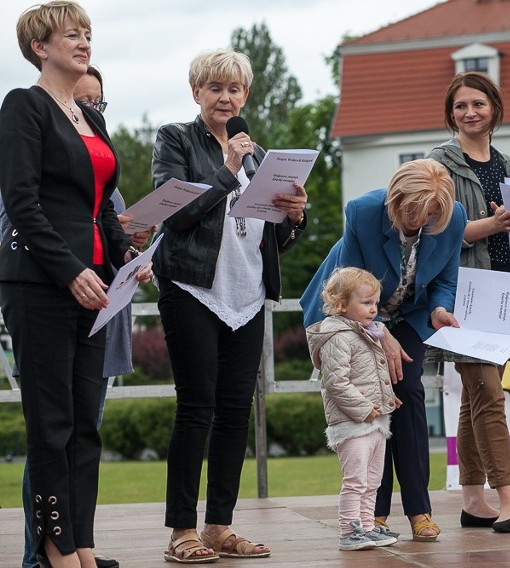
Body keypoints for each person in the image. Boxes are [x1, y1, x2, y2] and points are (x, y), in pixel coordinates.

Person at [0, 2, 152, 567]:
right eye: (72, 34)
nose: (85, 41)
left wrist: (126, 259)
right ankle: (54, 550)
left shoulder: (91, 118)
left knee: (85, 426)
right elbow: (21, 201)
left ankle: (83, 546)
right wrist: (70, 269)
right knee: (52, 426)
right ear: (40, 47)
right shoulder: (23, 106)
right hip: (40, 285)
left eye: (88, 33)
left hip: (98, 290)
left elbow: (103, 211)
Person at [152, 48, 307, 563]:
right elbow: (173, 217)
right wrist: (226, 169)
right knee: (197, 408)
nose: (225, 97)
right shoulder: (176, 139)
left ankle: (219, 525)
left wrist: (295, 217)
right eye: (215, 88)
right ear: (196, 92)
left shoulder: (260, 155)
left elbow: (268, 241)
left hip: (246, 295)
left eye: (234, 89)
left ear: (246, 95)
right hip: (193, 288)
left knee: (236, 411)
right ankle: (181, 530)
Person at [301, 158, 465, 542]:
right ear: (395, 200)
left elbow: (446, 277)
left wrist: (440, 309)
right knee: (368, 402)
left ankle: (419, 510)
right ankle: (372, 515)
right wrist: (378, 331)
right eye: (411, 213)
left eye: (429, 216)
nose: (420, 223)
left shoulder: (452, 217)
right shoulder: (361, 212)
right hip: (351, 314)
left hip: (409, 315)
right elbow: (351, 286)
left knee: (406, 390)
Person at [427, 71, 510, 533]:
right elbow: (439, 231)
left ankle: (472, 499)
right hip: (465, 291)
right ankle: (508, 499)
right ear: (451, 113)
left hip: (509, 288)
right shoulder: (438, 164)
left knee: (474, 395)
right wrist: (494, 225)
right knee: (488, 395)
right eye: (461, 105)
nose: (470, 112)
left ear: (495, 110)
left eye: (479, 104)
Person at [306, 267, 402, 551]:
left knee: (373, 479)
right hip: (353, 423)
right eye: (366, 303)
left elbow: (371, 374)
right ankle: (350, 530)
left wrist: (387, 399)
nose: (374, 309)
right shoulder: (337, 336)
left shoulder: (365, 332)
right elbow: (336, 382)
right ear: (341, 304)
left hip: (375, 421)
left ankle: (368, 527)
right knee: (356, 480)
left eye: (375, 303)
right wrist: (363, 409)